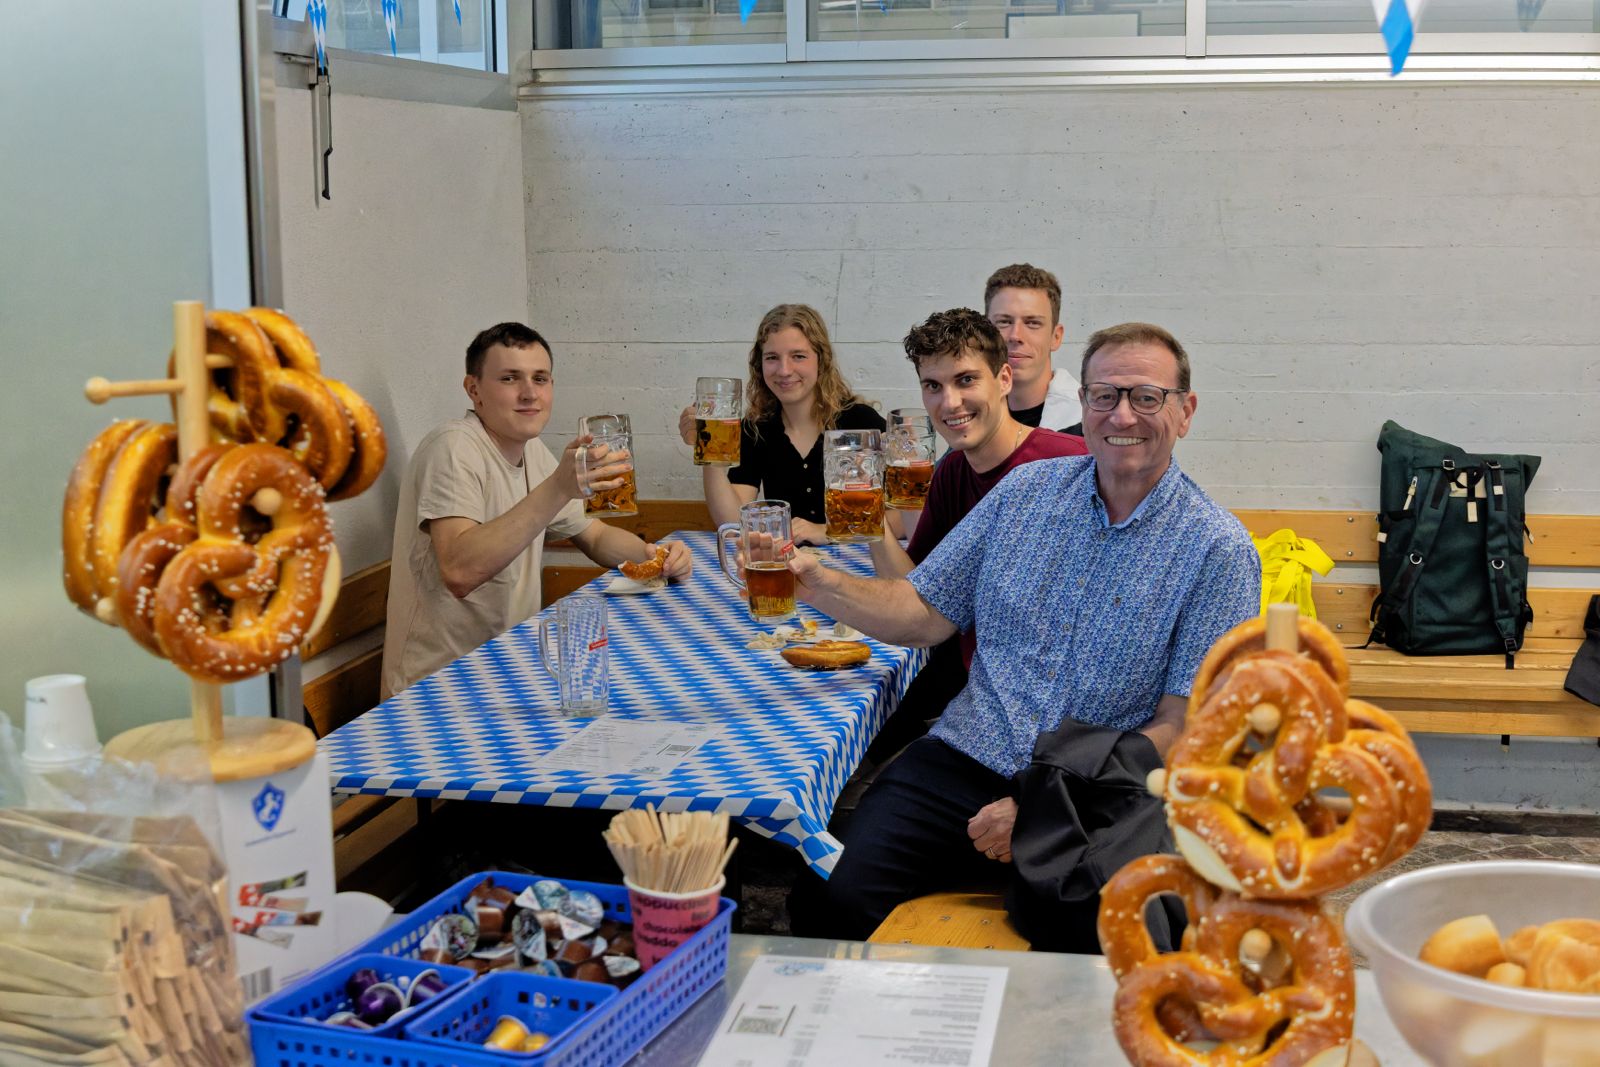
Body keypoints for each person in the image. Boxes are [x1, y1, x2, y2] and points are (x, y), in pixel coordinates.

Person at [787, 322, 1260, 943]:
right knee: (829, 897)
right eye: (1104, 396)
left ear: (1185, 411)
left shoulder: (1218, 550)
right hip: (969, 755)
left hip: (1097, 793)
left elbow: (1183, 727)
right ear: (1083, 403)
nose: (1122, 415)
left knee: (1100, 944)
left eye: (1146, 397)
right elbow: (923, 612)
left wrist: (1045, 805)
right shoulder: (1024, 493)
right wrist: (816, 582)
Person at [382, 322, 692, 698]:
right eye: (510, 378)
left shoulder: (532, 451)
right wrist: (558, 487)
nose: (529, 393)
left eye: (540, 379)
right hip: (438, 689)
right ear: (474, 389)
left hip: (510, 669)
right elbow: (460, 571)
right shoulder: (453, 448)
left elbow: (594, 535)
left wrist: (656, 558)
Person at [864, 309, 1086, 762]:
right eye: (933, 386)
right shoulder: (950, 471)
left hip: (1062, 723)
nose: (949, 403)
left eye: (965, 380)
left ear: (1003, 379)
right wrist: (869, 521)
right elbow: (916, 596)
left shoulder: (1070, 463)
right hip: (983, 705)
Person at [678, 304, 885, 546]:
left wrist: (828, 531)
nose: (784, 370)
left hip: (859, 562)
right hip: (790, 564)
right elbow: (734, 524)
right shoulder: (756, 429)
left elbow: (903, 515)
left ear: (822, 360)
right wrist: (708, 451)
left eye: (798, 356)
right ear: (760, 365)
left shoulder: (861, 422)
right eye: (772, 358)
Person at [984, 263, 1082, 433]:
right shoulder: (969, 415)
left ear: (1056, 337)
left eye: (1032, 323)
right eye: (1004, 322)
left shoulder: (1087, 422)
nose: (1016, 336)